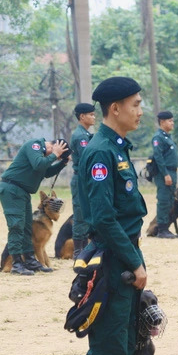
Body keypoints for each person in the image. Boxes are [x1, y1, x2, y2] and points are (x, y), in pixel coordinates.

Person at [79, 76, 153, 355]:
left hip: (124, 259)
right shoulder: (100, 153)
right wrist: (135, 261)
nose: (141, 111)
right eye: (136, 104)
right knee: (106, 350)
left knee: (122, 345)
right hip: (111, 262)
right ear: (115, 109)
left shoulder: (117, 149)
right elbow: (105, 219)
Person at [0, 139, 69, 275]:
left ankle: (30, 260)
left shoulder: (42, 157)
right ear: (53, 145)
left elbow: (46, 172)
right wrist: (54, 154)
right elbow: (38, 165)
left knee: (26, 228)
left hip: (23, 192)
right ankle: (17, 264)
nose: (57, 157)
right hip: (12, 189)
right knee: (16, 226)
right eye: (58, 152)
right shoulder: (34, 146)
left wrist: (63, 162)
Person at [69, 103, 96, 259]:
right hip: (81, 179)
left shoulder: (86, 134)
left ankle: (86, 248)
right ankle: (78, 251)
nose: (93, 117)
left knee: (88, 213)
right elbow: (88, 158)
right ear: (82, 117)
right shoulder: (80, 136)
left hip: (86, 179)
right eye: (90, 114)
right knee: (80, 214)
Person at [151, 111, 178, 238]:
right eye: (170, 121)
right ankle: (161, 229)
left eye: (172, 120)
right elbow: (158, 157)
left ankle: (166, 228)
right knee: (163, 200)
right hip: (165, 173)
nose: (172, 123)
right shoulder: (158, 138)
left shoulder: (168, 137)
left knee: (170, 200)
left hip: (172, 171)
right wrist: (165, 174)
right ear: (162, 122)